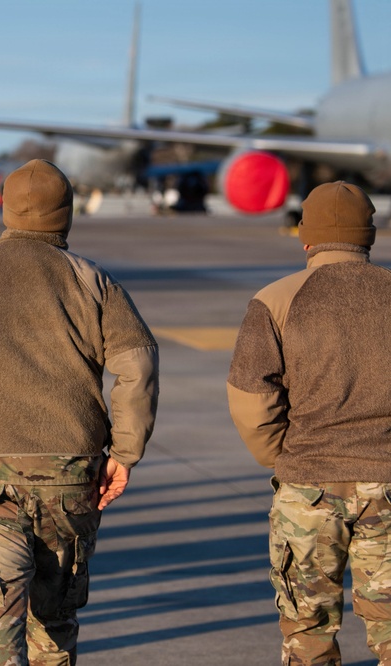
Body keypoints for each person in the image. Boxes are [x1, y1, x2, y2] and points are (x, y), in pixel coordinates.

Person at [0, 159, 159, 665]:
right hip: (69, 474)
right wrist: (125, 453)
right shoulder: (92, 281)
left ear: (6, 206)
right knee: (55, 624)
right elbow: (137, 366)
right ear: (67, 214)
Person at [228, 181, 391, 665]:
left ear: (306, 236)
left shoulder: (275, 300)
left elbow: (251, 397)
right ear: (370, 236)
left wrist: (282, 456)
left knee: (308, 632)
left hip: (308, 488)